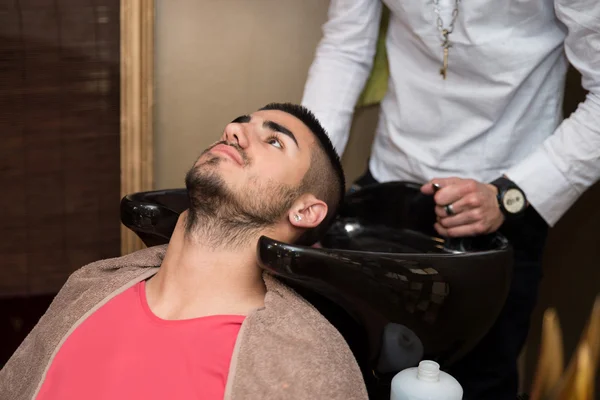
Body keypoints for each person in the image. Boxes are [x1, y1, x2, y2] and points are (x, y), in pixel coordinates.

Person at [302, 1, 600, 399]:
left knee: (481, 386)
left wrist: (512, 194)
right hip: (386, 188)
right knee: (354, 376)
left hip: (507, 200)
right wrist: (307, 176)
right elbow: (346, 47)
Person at [0, 103, 369, 400]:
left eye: (274, 141)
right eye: (239, 125)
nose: (233, 131)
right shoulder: (88, 289)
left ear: (305, 211)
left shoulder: (306, 367)